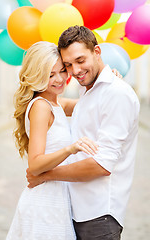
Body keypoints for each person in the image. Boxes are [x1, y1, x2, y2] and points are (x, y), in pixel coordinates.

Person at [26, 26, 140, 240]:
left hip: (99, 214)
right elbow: (60, 106)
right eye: (68, 65)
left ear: (97, 52)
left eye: (80, 60)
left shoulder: (116, 93)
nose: (75, 71)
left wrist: (45, 175)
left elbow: (102, 165)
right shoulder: (89, 90)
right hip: (76, 210)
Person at [6, 41, 98, 240]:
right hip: (44, 204)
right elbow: (35, 164)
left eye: (62, 70)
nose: (59, 79)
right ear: (37, 76)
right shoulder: (41, 107)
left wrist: (108, 80)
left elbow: (92, 104)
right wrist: (70, 149)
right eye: (50, 75)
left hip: (58, 199)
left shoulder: (56, 103)